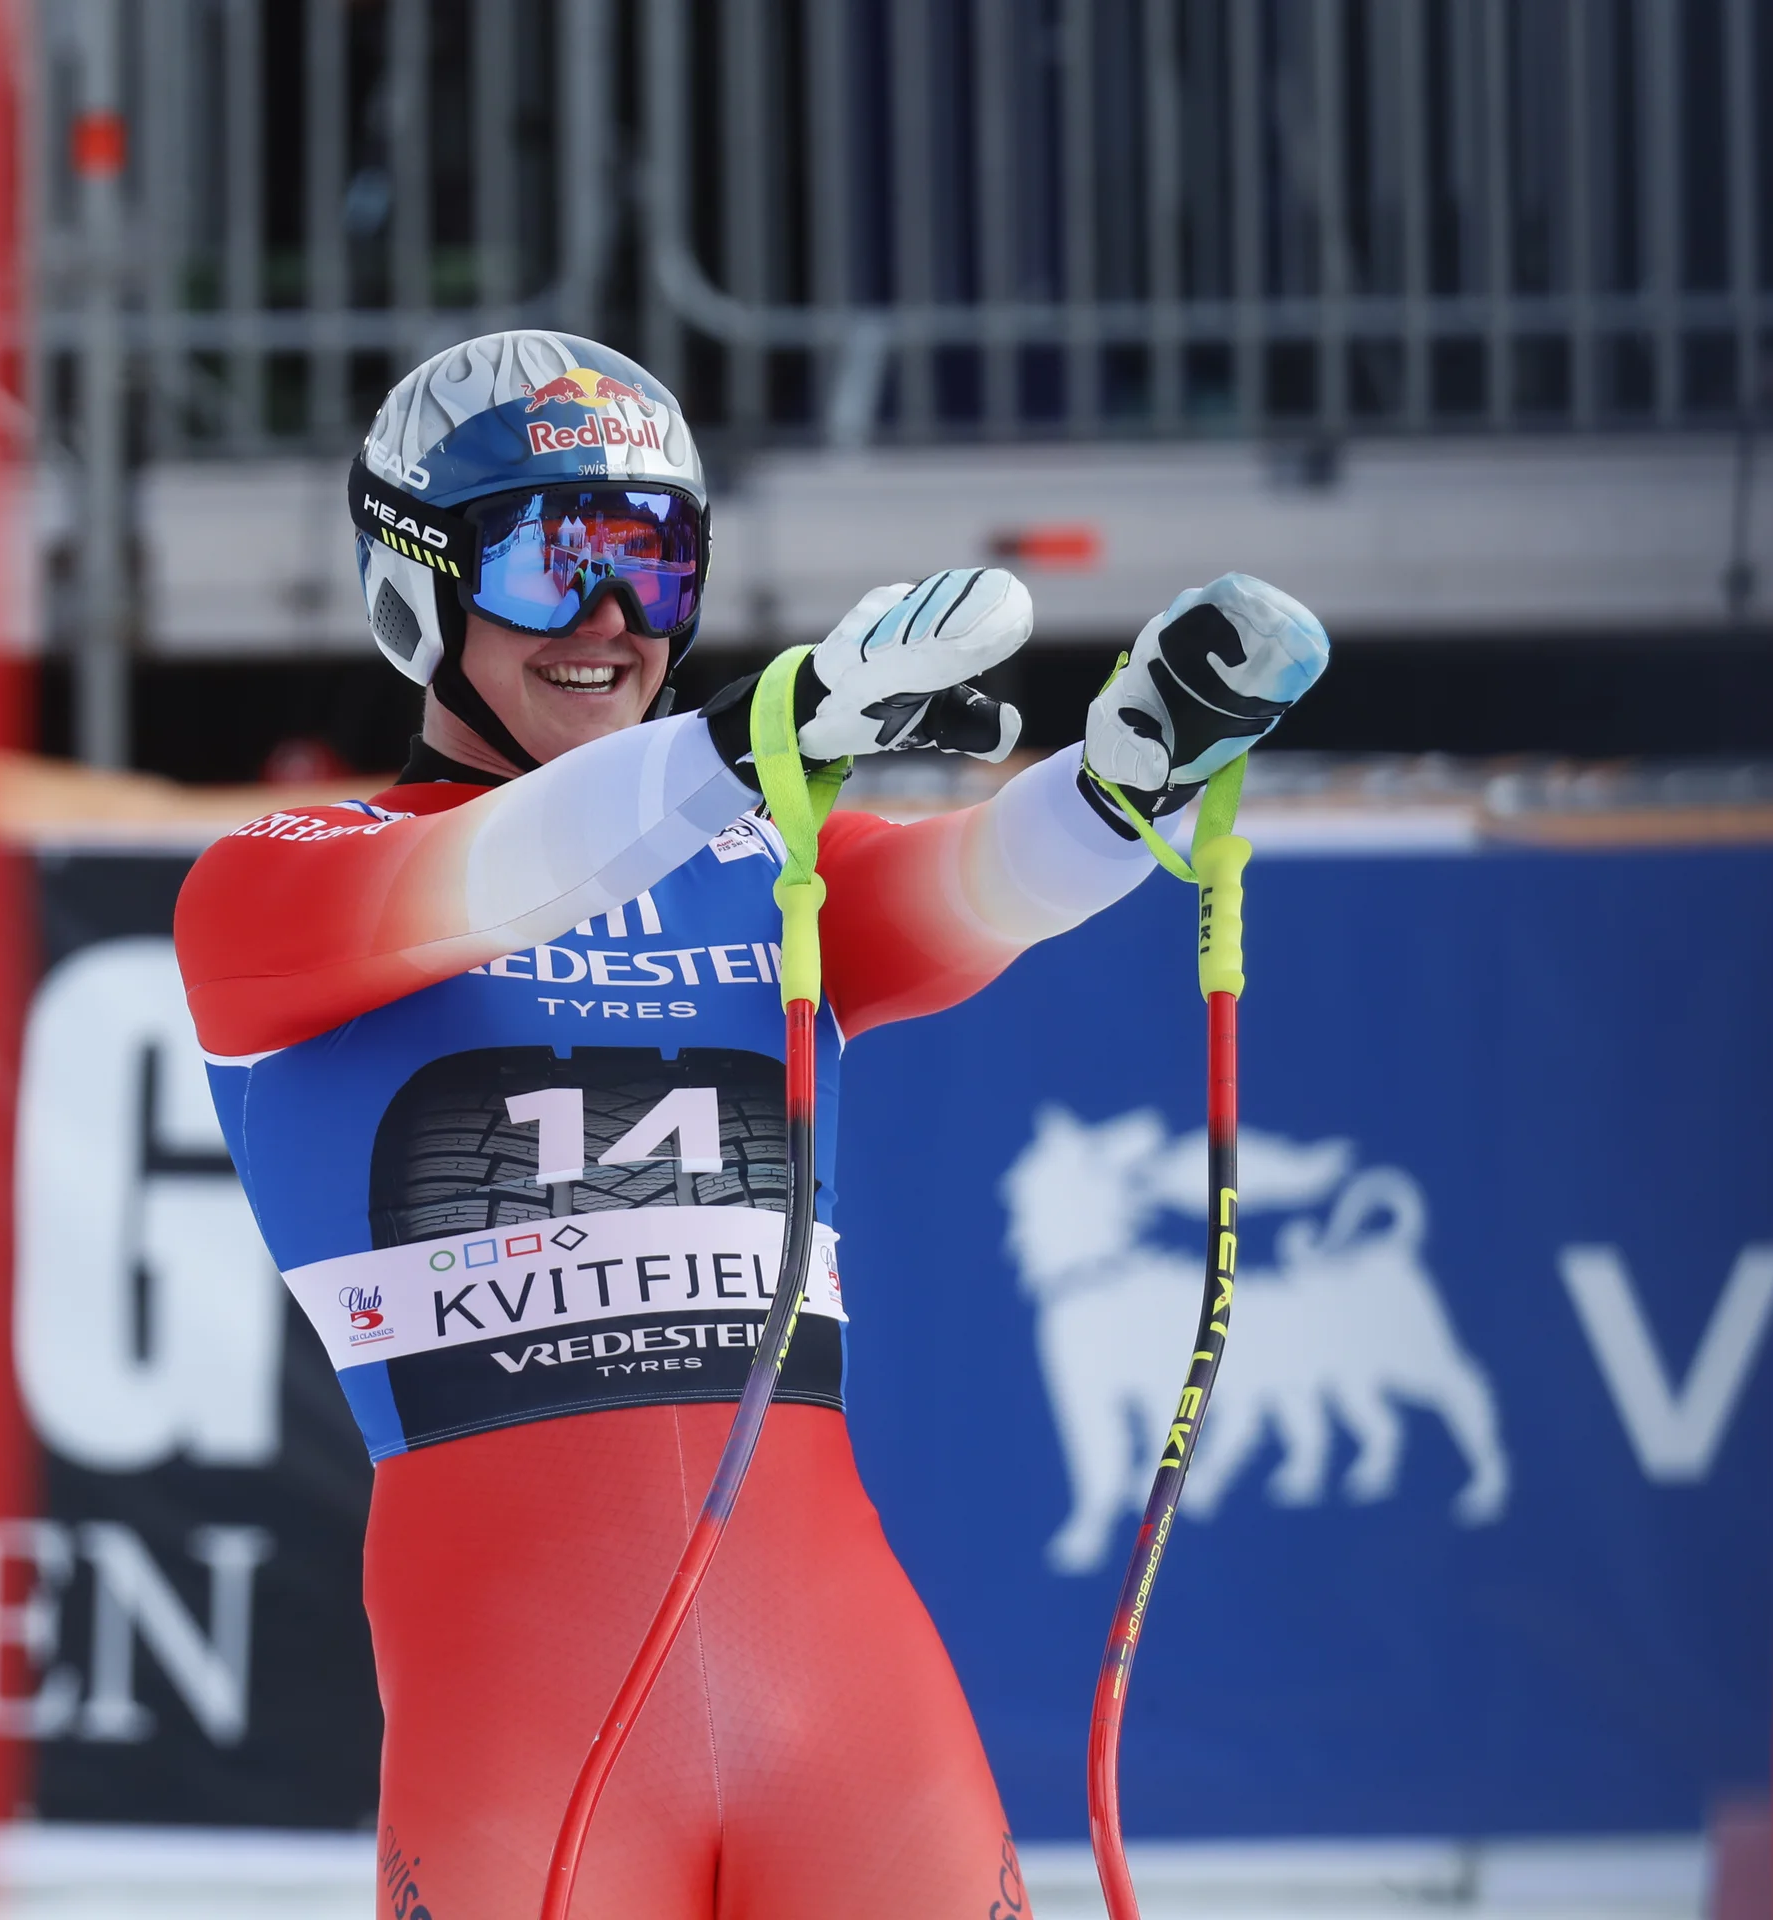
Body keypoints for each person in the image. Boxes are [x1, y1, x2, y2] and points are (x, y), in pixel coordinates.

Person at [176, 331, 1329, 1920]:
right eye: (550, 561)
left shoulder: (765, 873)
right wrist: (746, 742)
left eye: (652, 567)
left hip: (848, 1716)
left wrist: (1124, 776)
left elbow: (971, 885)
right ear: (413, 589)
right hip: (527, 1719)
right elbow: (482, 881)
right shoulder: (274, 882)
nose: (606, 622)